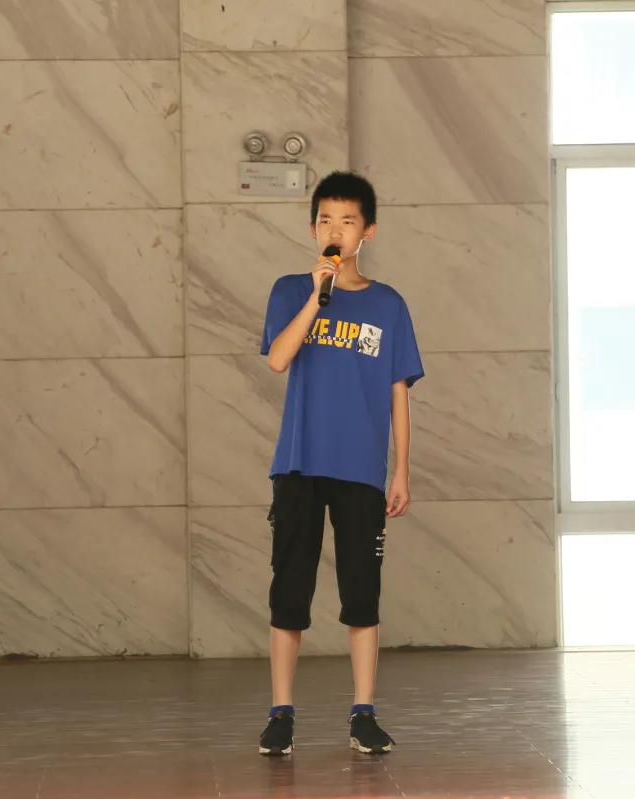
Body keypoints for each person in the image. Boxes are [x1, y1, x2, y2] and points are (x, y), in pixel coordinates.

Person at [257, 171, 425, 756]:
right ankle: (281, 713)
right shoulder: (290, 291)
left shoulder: (388, 305)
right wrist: (316, 294)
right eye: (326, 220)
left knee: (361, 593)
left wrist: (400, 470)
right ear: (313, 229)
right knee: (289, 591)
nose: (336, 230)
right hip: (299, 464)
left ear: (367, 232)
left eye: (347, 221)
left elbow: (399, 393)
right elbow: (278, 359)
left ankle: (363, 713)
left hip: (360, 470)